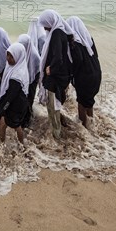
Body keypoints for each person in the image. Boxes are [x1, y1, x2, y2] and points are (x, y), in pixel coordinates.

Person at [38, 9, 73, 139]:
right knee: (55, 105)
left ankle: (56, 137)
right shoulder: (60, 32)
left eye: (45, 24)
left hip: (55, 78)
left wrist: (50, 69)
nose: (45, 28)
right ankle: (60, 128)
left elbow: (58, 57)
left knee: (53, 107)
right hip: (61, 76)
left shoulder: (57, 34)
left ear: (50, 22)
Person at [66, 16, 102, 129]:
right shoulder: (88, 39)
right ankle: (91, 124)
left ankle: (83, 127)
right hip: (96, 73)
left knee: (81, 102)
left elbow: (78, 61)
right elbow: (95, 55)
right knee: (89, 101)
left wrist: (71, 76)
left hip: (84, 77)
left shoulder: (75, 43)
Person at [0, 43, 29, 144]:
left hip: (16, 105)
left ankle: (1, 147)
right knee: (14, 125)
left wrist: (3, 108)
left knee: (8, 124)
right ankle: (21, 146)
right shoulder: (19, 67)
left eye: (12, 56)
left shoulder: (17, 75)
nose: (8, 58)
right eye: (7, 55)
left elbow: (11, 95)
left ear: (18, 57)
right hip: (18, 102)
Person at [17, 33, 41, 128]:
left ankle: (27, 120)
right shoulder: (20, 52)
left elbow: (37, 71)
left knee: (29, 98)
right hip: (22, 80)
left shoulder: (35, 57)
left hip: (32, 80)